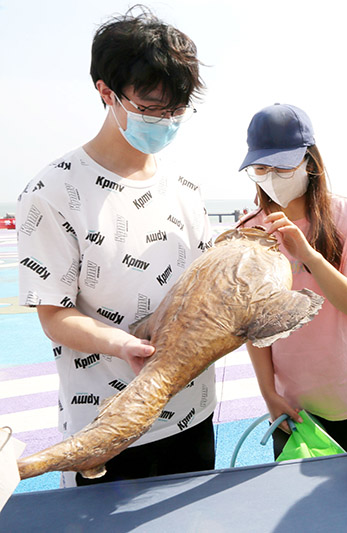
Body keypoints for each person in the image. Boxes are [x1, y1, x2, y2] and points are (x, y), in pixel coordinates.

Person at [16, 7, 216, 486]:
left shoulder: (185, 189)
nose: (166, 121)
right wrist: (123, 344)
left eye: (176, 110)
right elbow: (54, 315)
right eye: (151, 108)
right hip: (106, 430)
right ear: (106, 91)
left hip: (193, 416)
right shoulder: (53, 193)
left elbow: (204, 285)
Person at [237, 103, 347, 454]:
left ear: (310, 161)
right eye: (262, 167)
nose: (272, 175)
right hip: (291, 405)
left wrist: (309, 256)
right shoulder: (249, 231)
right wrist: (268, 394)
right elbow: (252, 327)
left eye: (283, 165)